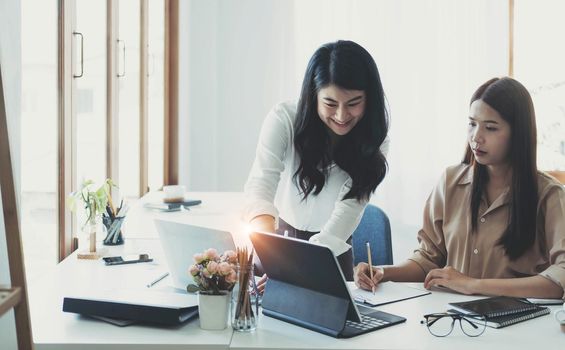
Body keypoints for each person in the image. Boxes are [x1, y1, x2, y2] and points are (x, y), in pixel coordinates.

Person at [356, 77, 565, 299]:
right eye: (472, 123)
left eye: (491, 128)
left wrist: (473, 285)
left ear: (518, 134)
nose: (476, 137)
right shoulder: (450, 182)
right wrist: (383, 272)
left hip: (516, 325)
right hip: (450, 320)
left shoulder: (550, 195)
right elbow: (428, 259)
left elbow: (559, 279)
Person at [242, 40, 390, 284]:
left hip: (333, 246)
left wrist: (303, 264)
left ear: (369, 98)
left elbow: (349, 209)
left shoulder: (374, 139)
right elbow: (260, 185)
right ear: (313, 95)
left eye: (353, 103)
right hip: (277, 239)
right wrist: (270, 252)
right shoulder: (284, 118)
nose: (342, 116)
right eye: (330, 104)